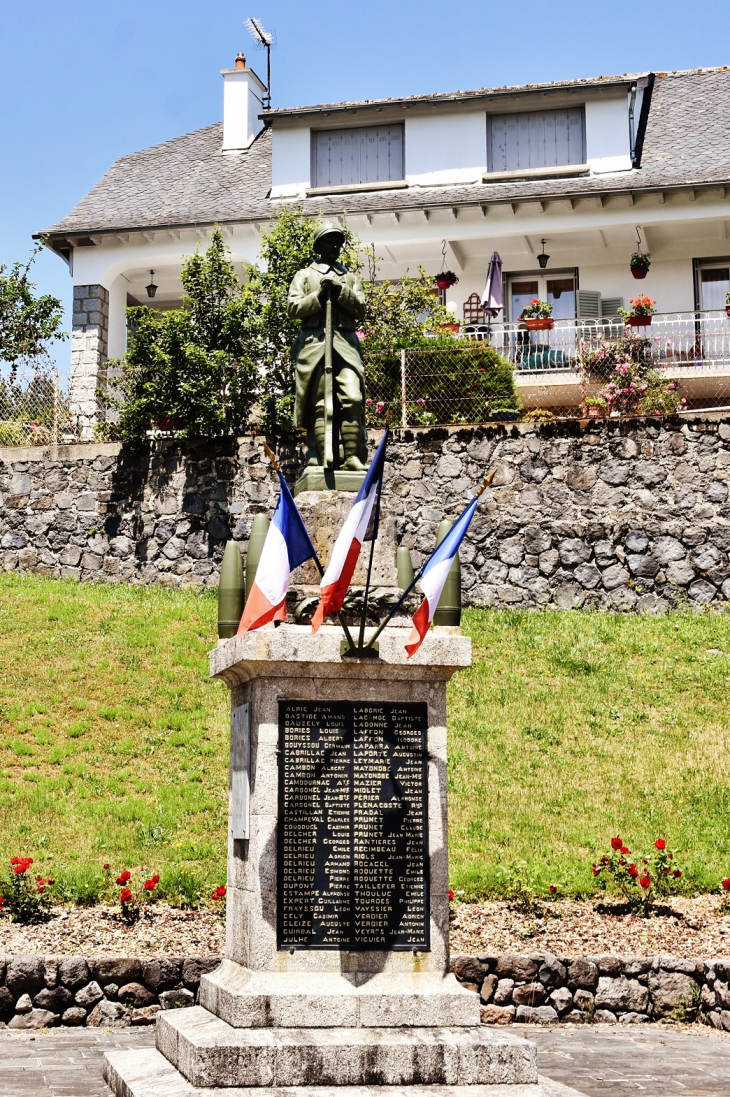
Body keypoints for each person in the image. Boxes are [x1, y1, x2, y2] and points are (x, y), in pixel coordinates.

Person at [288, 223, 368, 470]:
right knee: (322, 403)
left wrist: (341, 290)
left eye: (338, 242)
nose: (335, 246)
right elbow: (293, 309)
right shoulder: (304, 275)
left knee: (353, 398)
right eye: (329, 241)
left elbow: (361, 309)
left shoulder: (350, 278)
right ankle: (322, 456)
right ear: (318, 246)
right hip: (316, 345)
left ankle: (352, 457)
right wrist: (319, 297)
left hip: (345, 344)